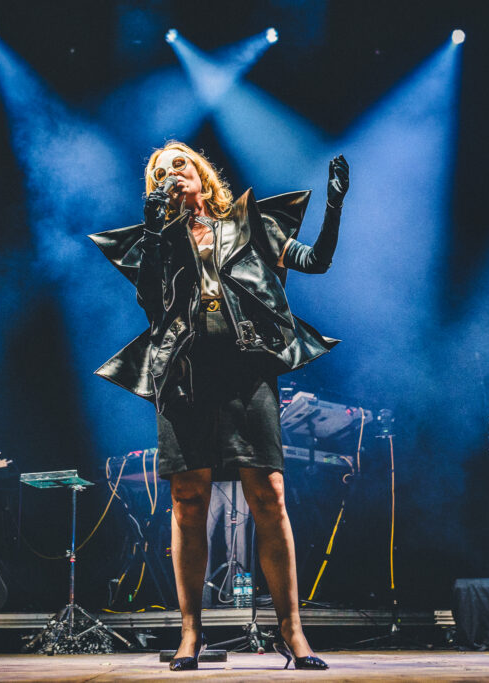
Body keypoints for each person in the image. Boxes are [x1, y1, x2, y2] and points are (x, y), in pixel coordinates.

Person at [90, 141, 348, 670]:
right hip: (183, 376)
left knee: (268, 495)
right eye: (160, 171)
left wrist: (334, 206)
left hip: (245, 371)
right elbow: (152, 302)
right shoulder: (157, 240)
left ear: (201, 173)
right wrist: (156, 233)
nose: (171, 172)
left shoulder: (251, 224)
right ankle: (190, 633)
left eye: (179, 163)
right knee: (187, 500)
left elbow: (316, 262)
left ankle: (293, 632)